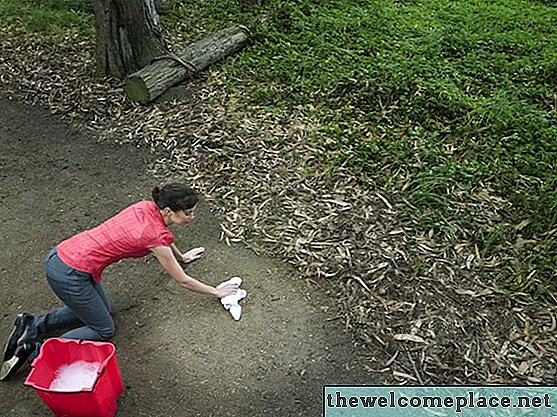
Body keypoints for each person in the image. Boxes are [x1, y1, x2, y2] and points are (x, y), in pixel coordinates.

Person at [1, 183, 238, 380]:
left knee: (100, 311)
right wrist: (218, 292)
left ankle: (32, 326)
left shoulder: (146, 207)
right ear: (167, 211)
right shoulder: (152, 234)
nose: (192, 217)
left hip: (64, 254)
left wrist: (182, 256)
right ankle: (37, 351)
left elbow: (163, 238)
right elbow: (183, 280)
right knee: (103, 329)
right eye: (188, 213)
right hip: (71, 274)